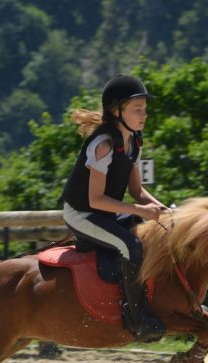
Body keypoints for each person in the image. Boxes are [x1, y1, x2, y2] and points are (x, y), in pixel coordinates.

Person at [61, 74, 167, 342]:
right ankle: (136, 317)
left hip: (105, 211)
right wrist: (140, 211)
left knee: (155, 233)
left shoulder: (134, 141)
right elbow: (95, 200)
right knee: (131, 245)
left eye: (145, 109)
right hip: (82, 214)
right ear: (117, 111)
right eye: (137, 109)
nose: (144, 115)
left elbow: (137, 191)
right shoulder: (103, 145)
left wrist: (161, 209)